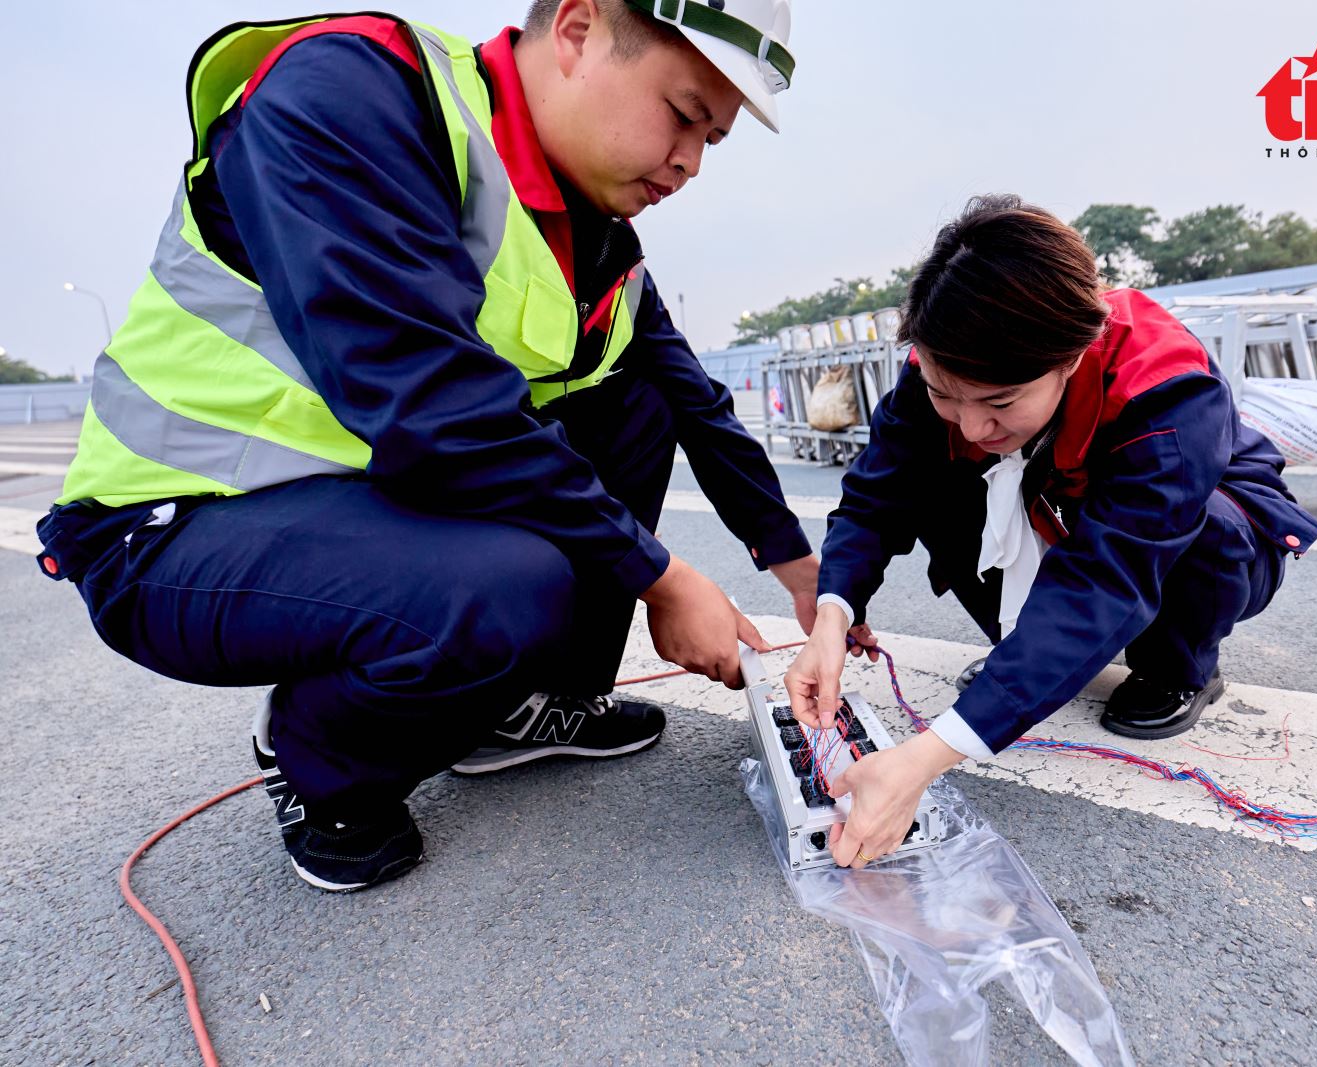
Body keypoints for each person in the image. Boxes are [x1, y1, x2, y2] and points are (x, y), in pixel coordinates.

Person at [36, 0, 817, 893]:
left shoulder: (594, 238)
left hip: (362, 502)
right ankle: (318, 760)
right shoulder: (353, 92)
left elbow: (692, 401)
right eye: (683, 114)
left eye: (713, 140)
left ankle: (521, 710)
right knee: (505, 586)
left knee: (632, 401)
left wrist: (804, 574)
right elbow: (430, 407)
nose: (689, 162)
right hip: (179, 518)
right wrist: (662, 577)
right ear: (575, 30)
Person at [783, 195, 1317, 870]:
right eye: (946, 394)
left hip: (1189, 537)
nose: (972, 424)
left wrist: (925, 757)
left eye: (1001, 402)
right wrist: (833, 616)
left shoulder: (1168, 395)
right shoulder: (945, 363)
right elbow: (877, 491)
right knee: (935, 482)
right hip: (1056, 506)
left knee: (1205, 531)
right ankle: (1027, 657)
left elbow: (1105, 578)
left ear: (1072, 356)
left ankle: (1182, 666)